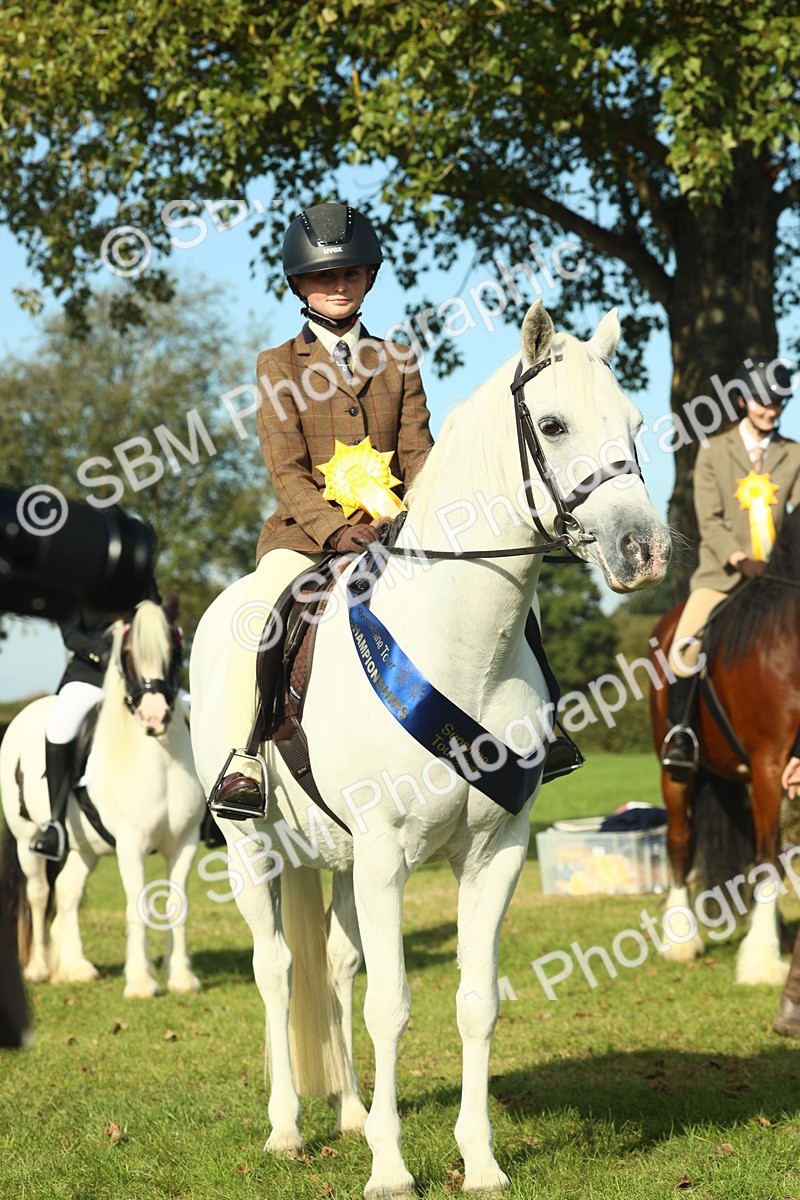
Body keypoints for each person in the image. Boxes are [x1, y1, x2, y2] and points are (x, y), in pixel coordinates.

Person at [210, 202, 434, 819]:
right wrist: (336, 532)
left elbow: (419, 454)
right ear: (300, 285)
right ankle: (244, 758)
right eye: (322, 277)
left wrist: (409, 519)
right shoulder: (278, 365)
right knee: (258, 614)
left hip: (394, 531)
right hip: (305, 539)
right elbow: (286, 471)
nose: (337, 285)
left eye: (350, 273)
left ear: (368, 278)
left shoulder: (399, 361)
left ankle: (538, 729)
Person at [661, 355, 800, 775]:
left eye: (779, 402)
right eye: (763, 401)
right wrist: (741, 561)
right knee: (684, 648)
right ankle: (680, 734)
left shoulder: (793, 455)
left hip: (777, 585)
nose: (771, 409)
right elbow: (711, 521)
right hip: (722, 578)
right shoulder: (713, 452)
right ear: (743, 400)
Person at [29, 577, 163, 862]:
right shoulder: (73, 578)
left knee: (186, 709)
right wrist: (102, 652)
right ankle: (55, 823)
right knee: (60, 727)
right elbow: (70, 635)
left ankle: (206, 813)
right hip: (90, 676)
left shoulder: (137, 574)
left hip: (138, 677)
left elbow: (155, 615)